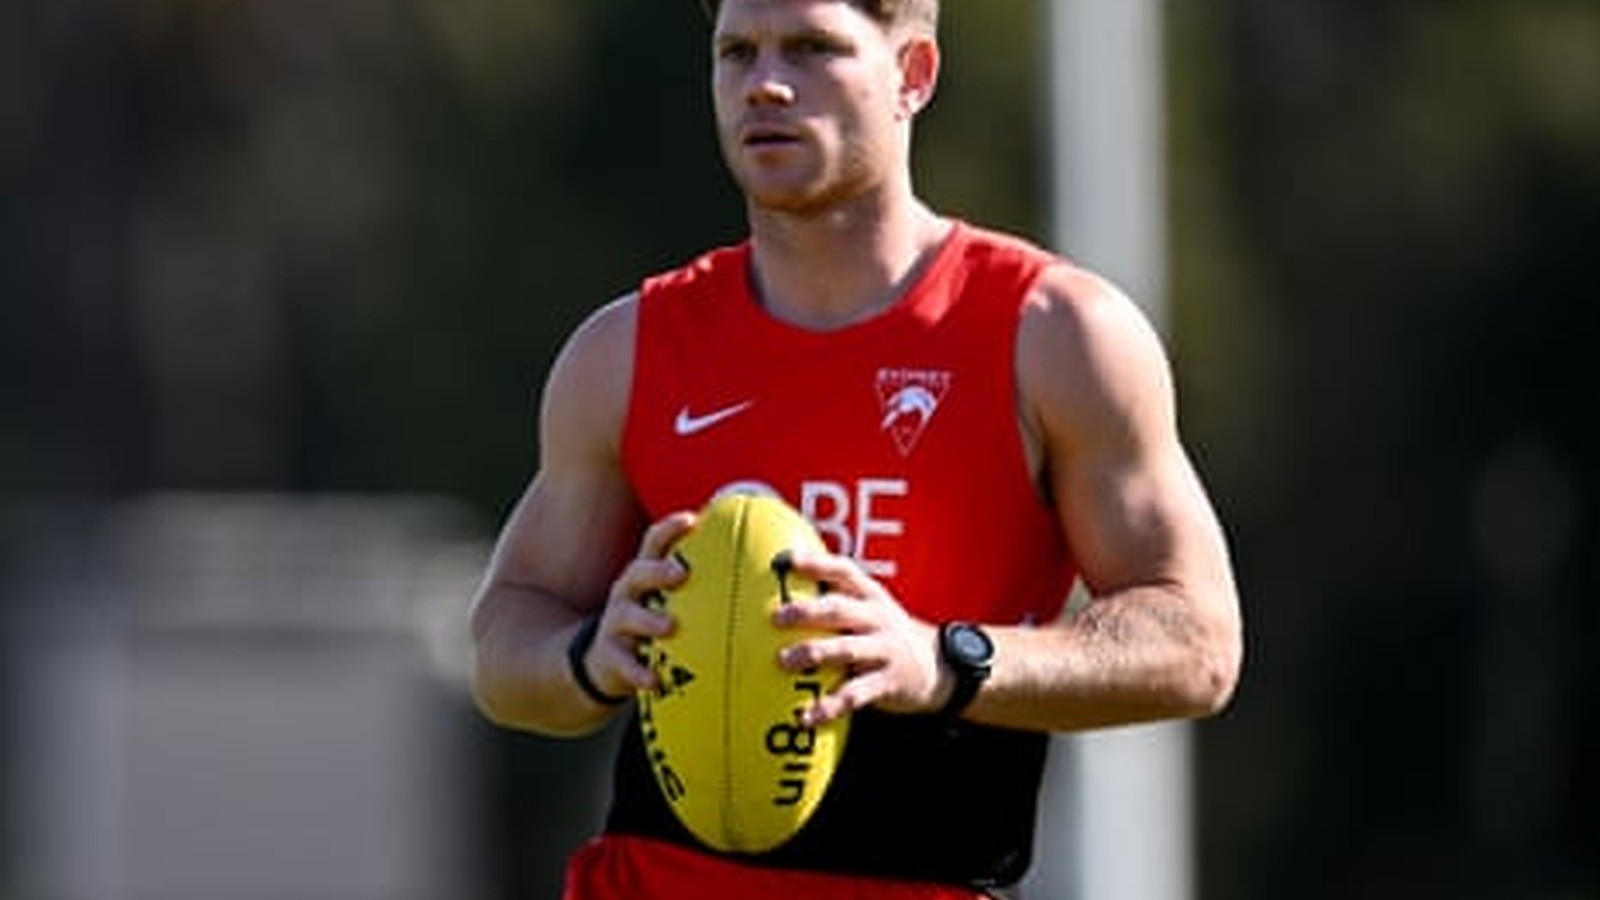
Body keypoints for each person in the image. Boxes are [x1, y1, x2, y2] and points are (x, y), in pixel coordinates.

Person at [468, 0, 1243, 896]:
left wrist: (939, 661)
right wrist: (588, 659)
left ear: (912, 73)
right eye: (736, 53)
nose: (764, 84)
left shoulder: (1053, 335)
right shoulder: (627, 350)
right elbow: (503, 639)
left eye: (812, 48)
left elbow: (1196, 642)